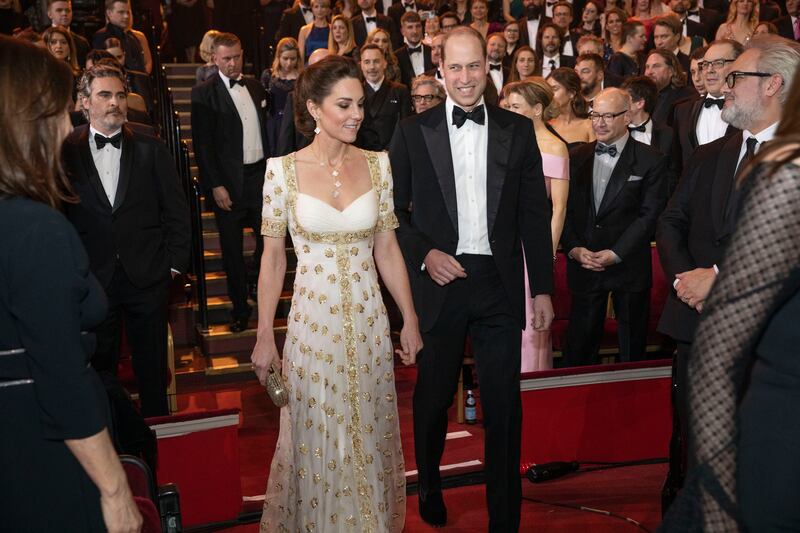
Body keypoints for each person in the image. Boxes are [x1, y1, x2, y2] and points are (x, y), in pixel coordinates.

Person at [389, 26, 554, 531]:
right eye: (455, 67)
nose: (465, 77)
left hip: (498, 283)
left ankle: (505, 515)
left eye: (474, 66)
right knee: (434, 397)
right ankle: (429, 483)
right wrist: (426, 255)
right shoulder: (412, 132)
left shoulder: (517, 129)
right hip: (440, 282)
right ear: (439, 70)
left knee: (503, 403)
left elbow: (534, 214)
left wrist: (542, 287)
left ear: (489, 68)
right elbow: (392, 215)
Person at [253, 54, 422, 533]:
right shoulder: (281, 172)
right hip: (312, 327)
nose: (357, 115)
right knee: (317, 434)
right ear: (314, 108)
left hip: (369, 323)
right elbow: (272, 260)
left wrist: (409, 318)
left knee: (366, 427)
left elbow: (387, 249)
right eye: (344, 105)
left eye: (360, 104)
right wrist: (264, 334)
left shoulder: (378, 165)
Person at [0, 35, 141, 533]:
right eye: (58, 112)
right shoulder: (35, 229)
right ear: (27, 123)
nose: (67, 125)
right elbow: (61, 379)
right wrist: (116, 490)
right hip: (46, 461)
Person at [656, 35, 800, 510]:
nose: (725, 86)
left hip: (770, 341)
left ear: (773, 84)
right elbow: (670, 222)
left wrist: (718, 277)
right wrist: (687, 281)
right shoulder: (709, 153)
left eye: (737, 76)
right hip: (695, 327)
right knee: (698, 451)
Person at [62, 64, 190, 417]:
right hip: (92, 280)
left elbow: (176, 210)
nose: (114, 103)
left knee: (152, 370)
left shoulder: (151, 146)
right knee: (99, 371)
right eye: (105, 95)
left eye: (120, 95)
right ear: (85, 102)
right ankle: (111, 439)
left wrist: (174, 266)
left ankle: (157, 436)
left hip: (147, 277)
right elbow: (60, 214)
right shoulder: (66, 150)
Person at [561, 88, 668, 367]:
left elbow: (649, 216)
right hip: (584, 265)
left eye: (608, 116)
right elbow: (563, 211)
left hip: (628, 267)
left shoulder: (652, 159)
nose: (599, 123)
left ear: (627, 117)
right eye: (595, 115)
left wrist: (616, 253)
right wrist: (574, 248)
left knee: (632, 352)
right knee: (578, 352)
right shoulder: (575, 156)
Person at [191, 32, 271, 333]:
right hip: (228, 184)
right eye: (226, 58)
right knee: (232, 252)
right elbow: (203, 145)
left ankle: (255, 282)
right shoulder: (203, 93)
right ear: (215, 59)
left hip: (260, 178)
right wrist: (215, 185)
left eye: (237, 57)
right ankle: (240, 309)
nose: (233, 63)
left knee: (269, 242)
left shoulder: (255, 86)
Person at [504, 79, 569, 372]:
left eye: (516, 106)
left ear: (537, 109)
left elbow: (559, 209)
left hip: (532, 247)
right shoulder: (505, 142)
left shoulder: (555, 147)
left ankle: (530, 384)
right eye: (507, 106)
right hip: (503, 245)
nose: (509, 111)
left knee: (531, 324)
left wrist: (545, 256)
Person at [672, 39, 742, 169]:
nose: (709, 70)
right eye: (705, 64)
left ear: (739, 65)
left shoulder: (750, 110)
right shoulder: (682, 111)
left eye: (718, 63)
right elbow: (675, 165)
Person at [356, 43, 412, 150]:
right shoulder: (355, 92)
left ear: (385, 63)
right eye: (367, 62)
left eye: (376, 61)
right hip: (363, 154)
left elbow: (406, 128)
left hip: (393, 153)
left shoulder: (400, 91)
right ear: (361, 65)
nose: (372, 67)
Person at [261, 38, 301, 156]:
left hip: (294, 125)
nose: (289, 63)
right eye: (285, 58)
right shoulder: (269, 75)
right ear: (278, 57)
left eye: (293, 59)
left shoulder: (302, 77)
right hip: (274, 124)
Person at [92, 0, 149, 74]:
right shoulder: (101, 36)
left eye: (128, 12)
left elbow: (141, 67)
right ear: (109, 13)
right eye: (121, 12)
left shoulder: (132, 37)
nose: (126, 16)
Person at [644, 49, 698, 125]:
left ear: (671, 71)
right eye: (647, 67)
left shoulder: (687, 97)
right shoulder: (644, 97)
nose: (649, 72)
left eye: (656, 66)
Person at [547, 67, 595, 147]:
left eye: (554, 89)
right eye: (548, 90)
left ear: (571, 93)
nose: (549, 94)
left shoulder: (589, 126)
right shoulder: (546, 126)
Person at [395, 11, 434, 89]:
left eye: (418, 26)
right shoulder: (396, 56)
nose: (415, 31)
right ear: (402, 31)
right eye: (410, 27)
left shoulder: (432, 51)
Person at [46, 0, 89, 67]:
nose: (64, 13)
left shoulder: (82, 43)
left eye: (68, 10)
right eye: (59, 10)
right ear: (49, 14)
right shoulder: (41, 40)